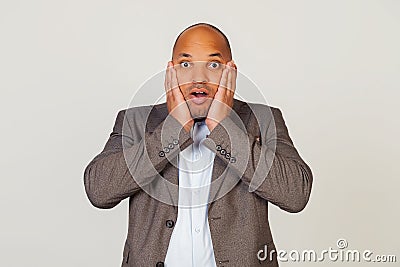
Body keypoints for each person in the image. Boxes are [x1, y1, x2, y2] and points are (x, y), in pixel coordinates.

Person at [84, 22, 313, 267]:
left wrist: (222, 127)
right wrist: (175, 127)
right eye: (186, 64)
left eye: (213, 65)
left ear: (230, 72)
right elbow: (99, 190)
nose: (198, 78)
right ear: (171, 71)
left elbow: (295, 194)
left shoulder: (263, 119)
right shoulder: (135, 121)